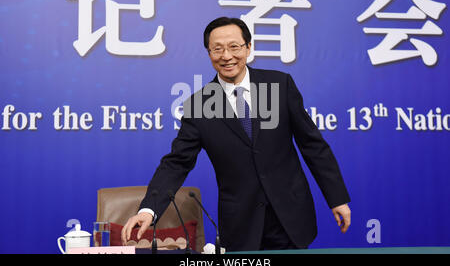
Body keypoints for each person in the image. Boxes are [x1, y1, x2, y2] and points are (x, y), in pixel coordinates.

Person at [121, 16, 351, 251]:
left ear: (248, 48)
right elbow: (177, 162)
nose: (227, 56)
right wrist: (149, 209)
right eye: (217, 49)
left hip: (290, 216)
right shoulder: (199, 105)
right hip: (241, 224)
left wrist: (337, 198)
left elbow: (312, 144)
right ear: (208, 53)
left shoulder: (280, 85)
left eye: (234, 47)